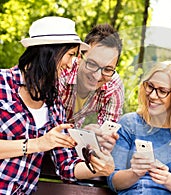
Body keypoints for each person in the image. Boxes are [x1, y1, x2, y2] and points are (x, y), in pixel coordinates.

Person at [0, 16, 114, 194]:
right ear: (49, 52)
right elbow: (40, 144)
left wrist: (96, 167)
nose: (72, 64)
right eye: (70, 55)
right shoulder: (2, 83)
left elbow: (66, 165)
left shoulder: (55, 106)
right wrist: (38, 144)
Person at [107, 61, 171, 195]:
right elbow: (113, 181)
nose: (152, 95)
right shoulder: (129, 123)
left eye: (162, 91)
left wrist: (167, 179)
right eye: (150, 86)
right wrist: (134, 173)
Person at [59, 23, 123, 152]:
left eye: (108, 69)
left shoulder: (114, 87)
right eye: (92, 64)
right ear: (79, 57)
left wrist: (102, 140)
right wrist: (80, 134)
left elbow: (104, 141)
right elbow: (44, 128)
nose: (97, 76)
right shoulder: (62, 72)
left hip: (72, 150)